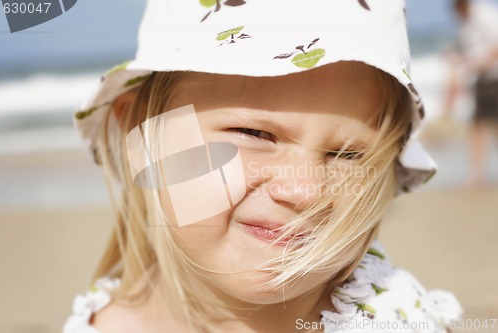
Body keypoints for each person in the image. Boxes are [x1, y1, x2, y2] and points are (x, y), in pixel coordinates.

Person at [63, 1, 462, 332]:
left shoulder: (391, 320)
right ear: (142, 134)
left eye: (348, 155)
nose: (304, 191)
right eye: (254, 133)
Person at [444, 0, 498, 189]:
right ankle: (477, 175)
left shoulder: (485, 14)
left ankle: (478, 176)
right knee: (477, 126)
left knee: (488, 127)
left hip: (494, 78)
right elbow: (468, 56)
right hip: (481, 81)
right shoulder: (465, 24)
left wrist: (479, 63)